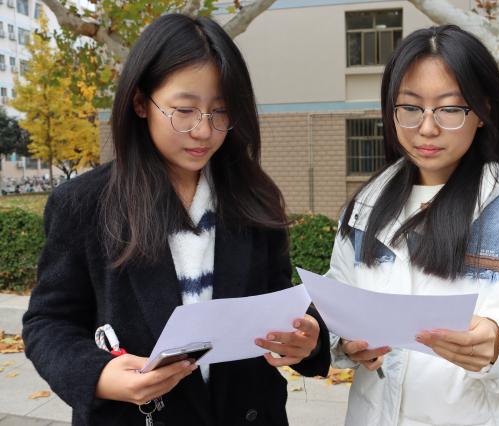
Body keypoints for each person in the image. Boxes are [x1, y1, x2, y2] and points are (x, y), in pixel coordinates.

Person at [22, 14, 330, 426]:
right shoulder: (85, 204)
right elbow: (49, 322)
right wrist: (99, 376)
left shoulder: (253, 198)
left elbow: (278, 302)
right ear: (140, 103)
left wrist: (308, 339)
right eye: (184, 110)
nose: (204, 131)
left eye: (221, 112)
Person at [326, 25, 499, 426]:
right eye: (410, 108)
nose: (427, 128)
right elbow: (338, 307)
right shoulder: (365, 207)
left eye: (449, 109)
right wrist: (346, 342)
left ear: (483, 111)